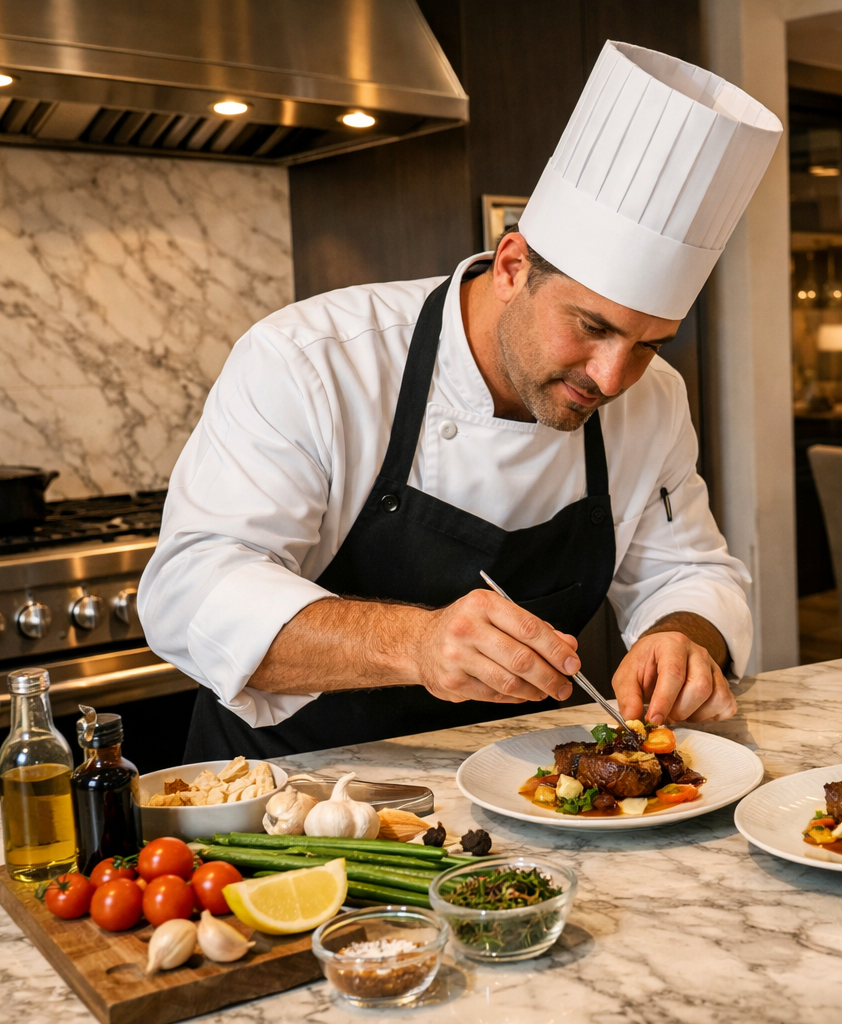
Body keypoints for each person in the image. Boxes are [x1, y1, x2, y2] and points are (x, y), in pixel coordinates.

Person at [138, 41, 783, 760]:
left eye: (649, 342)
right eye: (592, 327)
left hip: (518, 794)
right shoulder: (314, 359)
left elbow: (686, 569)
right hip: (289, 799)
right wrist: (415, 643)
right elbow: (190, 594)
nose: (611, 376)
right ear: (513, 266)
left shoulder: (652, 398)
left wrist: (683, 636)